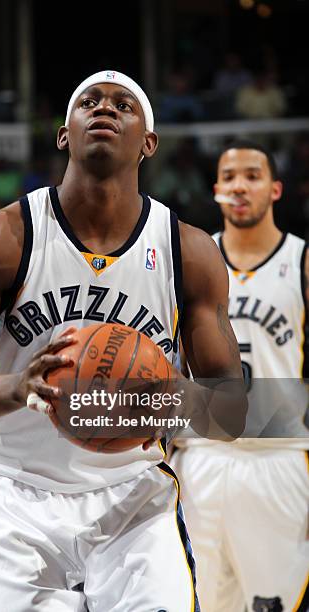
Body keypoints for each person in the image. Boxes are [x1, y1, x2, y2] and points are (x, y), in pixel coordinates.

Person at [0, 70, 245, 612]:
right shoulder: (1, 236)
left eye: (123, 105)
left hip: (132, 497)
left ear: (149, 143)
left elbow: (231, 411)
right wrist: (16, 387)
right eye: (89, 101)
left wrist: (163, 404)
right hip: (9, 491)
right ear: (65, 133)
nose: (105, 110)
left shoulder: (190, 252)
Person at [172, 140, 309, 612]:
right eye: (229, 177)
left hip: (280, 456)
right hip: (200, 455)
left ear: (274, 189)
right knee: (198, 602)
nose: (239, 186)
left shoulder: (302, 262)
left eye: (252, 175)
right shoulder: (192, 258)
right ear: (215, 191)